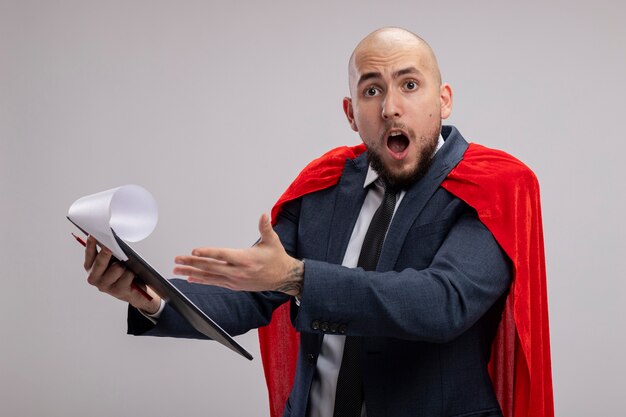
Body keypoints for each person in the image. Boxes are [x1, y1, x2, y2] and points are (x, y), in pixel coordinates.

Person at [84, 27, 552, 417]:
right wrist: (150, 296)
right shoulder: (323, 186)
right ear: (351, 114)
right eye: (372, 90)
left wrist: (297, 278)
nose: (390, 106)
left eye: (410, 85)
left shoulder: (493, 188)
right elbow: (253, 293)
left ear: (444, 100)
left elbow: (441, 303)